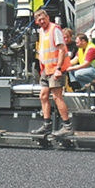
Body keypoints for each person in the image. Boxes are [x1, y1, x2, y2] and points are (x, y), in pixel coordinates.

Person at [30, 9, 73, 137]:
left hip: (55, 69)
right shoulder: (42, 31)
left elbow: (61, 50)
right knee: (43, 96)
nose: (42, 21)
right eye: (39, 20)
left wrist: (58, 69)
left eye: (43, 19)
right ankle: (46, 125)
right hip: (46, 69)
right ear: (36, 21)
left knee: (57, 97)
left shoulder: (55, 29)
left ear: (48, 17)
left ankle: (67, 126)